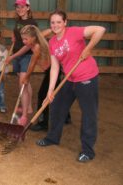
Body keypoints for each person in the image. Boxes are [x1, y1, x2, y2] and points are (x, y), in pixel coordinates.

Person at [36, 10, 105, 163]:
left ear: (65, 22)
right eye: (53, 22)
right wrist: (50, 91)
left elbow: (100, 30)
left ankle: (88, 151)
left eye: (59, 22)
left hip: (87, 78)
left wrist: (88, 48)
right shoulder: (52, 42)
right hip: (70, 77)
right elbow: (54, 68)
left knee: (88, 114)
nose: (55, 25)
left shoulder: (74, 32)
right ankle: (52, 138)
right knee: (57, 106)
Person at [6, 0, 38, 122]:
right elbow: (17, 32)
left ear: (28, 8)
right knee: (26, 82)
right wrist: (14, 36)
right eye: (18, 7)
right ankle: (28, 107)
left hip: (26, 56)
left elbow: (28, 46)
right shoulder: (18, 20)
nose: (20, 9)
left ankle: (24, 115)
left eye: (22, 7)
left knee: (22, 83)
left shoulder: (32, 24)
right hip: (17, 55)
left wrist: (12, 56)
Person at [12, 25, 51, 126]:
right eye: (22, 39)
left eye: (25, 39)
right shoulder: (33, 40)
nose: (24, 41)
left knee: (43, 95)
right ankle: (67, 117)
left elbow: (32, 64)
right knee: (46, 93)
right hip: (47, 70)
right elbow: (24, 49)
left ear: (33, 38)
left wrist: (27, 77)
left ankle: (42, 122)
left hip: (52, 70)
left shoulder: (37, 46)